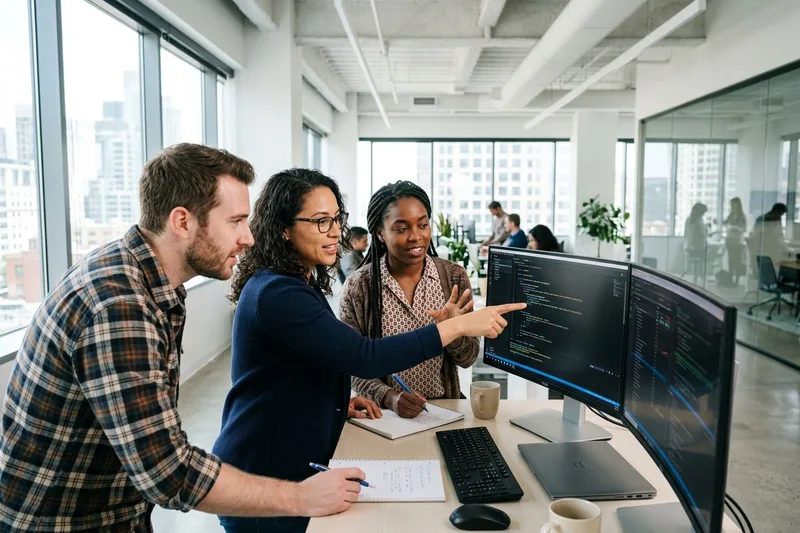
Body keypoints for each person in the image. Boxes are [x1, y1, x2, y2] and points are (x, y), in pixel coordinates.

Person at [0, 145, 369, 532]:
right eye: (236, 221)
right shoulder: (119, 304)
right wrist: (302, 498)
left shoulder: (148, 282)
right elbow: (168, 471)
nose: (249, 237)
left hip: (114, 512)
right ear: (182, 222)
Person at [211, 168, 525, 533]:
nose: (334, 231)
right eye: (319, 221)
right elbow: (363, 356)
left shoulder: (294, 284)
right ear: (283, 227)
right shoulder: (280, 294)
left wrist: (334, 403)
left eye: (336, 219)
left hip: (287, 464)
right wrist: (455, 326)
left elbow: (305, 364)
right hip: (262, 478)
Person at [341, 181, 479, 419]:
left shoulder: (453, 277)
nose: (416, 236)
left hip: (445, 411)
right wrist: (391, 398)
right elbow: (350, 365)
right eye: (401, 228)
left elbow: (468, 359)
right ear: (380, 233)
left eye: (423, 225)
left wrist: (452, 332)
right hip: (384, 416)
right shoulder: (359, 287)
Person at [723, 197, 747, 284]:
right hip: (729, 241)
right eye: (731, 205)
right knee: (730, 261)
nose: (731, 206)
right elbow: (725, 223)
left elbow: (743, 229)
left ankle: (736, 280)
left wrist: (734, 227)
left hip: (737, 242)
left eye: (733, 204)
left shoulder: (741, 217)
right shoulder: (730, 215)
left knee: (737, 262)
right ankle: (730, 279)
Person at [683, 202, 708, 284]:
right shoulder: (699, 220)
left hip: (688, 247)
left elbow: (685, 234)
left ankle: (695, 275)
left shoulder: (688, 219)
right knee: (704, 257)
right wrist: (706, 230)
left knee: (696, 261)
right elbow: (702, 234)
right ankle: (699, 275)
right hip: (698, 248)